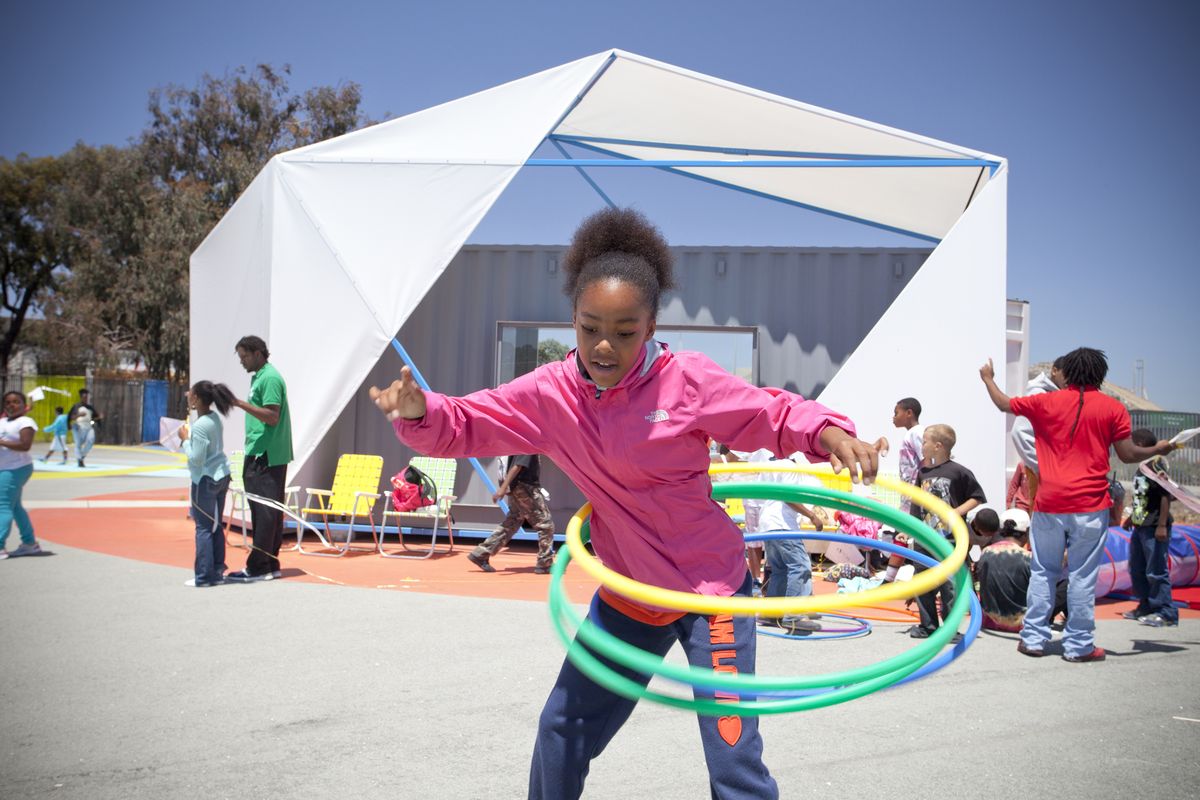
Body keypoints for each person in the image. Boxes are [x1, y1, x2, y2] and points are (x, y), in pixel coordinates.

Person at [370, 207, 882, 800]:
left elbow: (771, 412)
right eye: (590, 328)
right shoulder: (550, 394)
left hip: (711, 590)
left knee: (733, 763)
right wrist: (420, 412)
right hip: (631, 595)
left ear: (652, 324)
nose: (604, 346)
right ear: (572, 320)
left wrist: (829, 433)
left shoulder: (686, 382)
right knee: (560, 732)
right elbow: (466, 421)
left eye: (624, 331)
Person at [980, 349, 1174, 663]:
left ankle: (1032, 639)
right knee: (1082, 576)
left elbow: (1004, 404)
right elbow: (1127, 454)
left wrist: (988, 378)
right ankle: (1079, 646)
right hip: (1090, 505)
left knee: (1043, 571)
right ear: (1100, 376)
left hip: (1049, 503)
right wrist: (1159, 448)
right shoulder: (1113, 408)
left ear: (1067, 373)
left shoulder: (1046, 401)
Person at [907, 423, 985, 640]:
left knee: (949, 585)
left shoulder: (959, 472)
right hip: (924, 538)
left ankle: (950, 629)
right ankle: (928, 626)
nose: (922, 446)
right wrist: (909, 528)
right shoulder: (923, 473)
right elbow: (916, 503)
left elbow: (977, 497)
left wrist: (956, 512)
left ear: (938, 446)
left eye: (925, 441)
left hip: (949, 539)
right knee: (923, 583)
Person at [226, 335, 293, 582]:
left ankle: (259, 566)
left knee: (264, 512)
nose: (242, 362)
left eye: (244, 356)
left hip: (266, 454)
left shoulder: (270, 378)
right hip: (261, 451)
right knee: (267, 511)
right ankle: (270, 564)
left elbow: (272, 417)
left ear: (257, 353)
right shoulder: (260, 377)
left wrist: (239, 403)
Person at [744, 450, 824, 635]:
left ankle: (771, 613)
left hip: (768, 523)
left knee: (780, 569)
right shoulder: (788, 466)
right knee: (800, 566)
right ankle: (794, 615)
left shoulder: (770, 466)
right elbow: (788, 497)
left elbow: (760, 496)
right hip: (782, 524)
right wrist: (812, 516)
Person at [179, 381, 235, 587]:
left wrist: (185, 440)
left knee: (203, 527)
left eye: (191, 394)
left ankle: (204, 576)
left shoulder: (201, 425)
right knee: (216, 524)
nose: (188, 395)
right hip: (221, 475)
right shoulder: (214, 418)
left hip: (205, 479)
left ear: (196, 399)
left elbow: (197, 459)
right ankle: (217, 570)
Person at [977, 508, 1069, 632]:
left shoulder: (985, 552)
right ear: (1026, 533)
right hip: (1021, 623)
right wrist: (1066, 555)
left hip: (989, 622)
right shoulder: (1028, 557)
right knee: (1068, 583)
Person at [1122, 428, 1178, 628]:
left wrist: (1162, 525)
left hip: (1154, 527)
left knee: (1156, 570)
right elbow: (1143, 497)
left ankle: (1166, 611)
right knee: (1137, 568)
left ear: (1141, 445)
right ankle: (1145, 605)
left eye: (1132, 443)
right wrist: (1132, 518)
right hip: (1141, 525)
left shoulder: (1155, 465)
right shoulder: (1142, 467)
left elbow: (1165, 495)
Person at [467, 454, 556, 574]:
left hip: (517, 488)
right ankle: (545, 563)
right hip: (525, 488)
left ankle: (481, 553)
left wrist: (506, 487)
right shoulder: (528, 445)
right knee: (545, 524)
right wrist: (503, 488)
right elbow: (517, 465)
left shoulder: (521, 445)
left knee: (512, 522)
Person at [1009, 357, 1065, 509]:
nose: (1070, 379)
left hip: (1056, 474)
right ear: (1054, 371)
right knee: (1043, 516)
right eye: (1067, 374)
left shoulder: (1059, 395)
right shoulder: (1040, 395)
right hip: (1045, 474)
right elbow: (1020, 432)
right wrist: (1043, 467)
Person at [880, 397, 923, 582]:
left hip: (915, 495)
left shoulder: (916, 433)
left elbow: (926, 460)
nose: (893, 417)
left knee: (905, 535)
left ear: (909, 413)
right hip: (908, 496)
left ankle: (889, 580)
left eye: (896, 413)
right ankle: (889, 579)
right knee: (901, 535)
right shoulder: (910, 434)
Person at [0, 391, 41, 558]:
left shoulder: (25, 422)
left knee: (3, 506)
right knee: (15, 506)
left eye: (16, 402)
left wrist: (1, 442)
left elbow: (25, 445)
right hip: (4, 468)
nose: (12, 405)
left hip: (16, 468)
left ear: (24, 405)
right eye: (8, 402)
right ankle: (29, 543)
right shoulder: (2, 421)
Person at [68, 388, 100, 468]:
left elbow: (94, 418)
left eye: (87, 397)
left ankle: (81, 456)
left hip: (88, 426)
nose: (86, 399)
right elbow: (71, 417)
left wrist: (98, 418)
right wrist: (79, 415)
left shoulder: (90, 407)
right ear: (81, 397)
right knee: (78, 444)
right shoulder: (76, 406)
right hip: (79, 426)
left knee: (91, 440)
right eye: (84, 397)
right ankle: (80, 460)